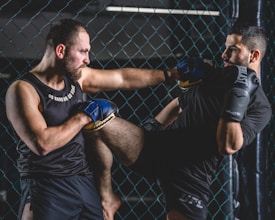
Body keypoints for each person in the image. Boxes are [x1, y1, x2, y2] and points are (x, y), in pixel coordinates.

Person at [82, 23, 272, 220]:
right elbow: (180, 103)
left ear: (254, 56)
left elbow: (228, 146)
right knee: (96, 115)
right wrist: (154, 125)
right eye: (225, 48)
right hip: (156, 147)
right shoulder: (216, 77)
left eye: (233, 50)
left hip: (189, 177)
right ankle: (107, 198)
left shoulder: (260, 107)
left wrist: (238, 94)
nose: (224, 55)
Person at [5, 18, 184, 220]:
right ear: (61, 51)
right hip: (46, 185)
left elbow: (122, 78)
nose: (88, 59)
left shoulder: (78, 79)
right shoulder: (23, 90)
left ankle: (106, 197)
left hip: (83, 182)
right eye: (82, 52)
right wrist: (84, 116)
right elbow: (42, 143)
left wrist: (170, 74)